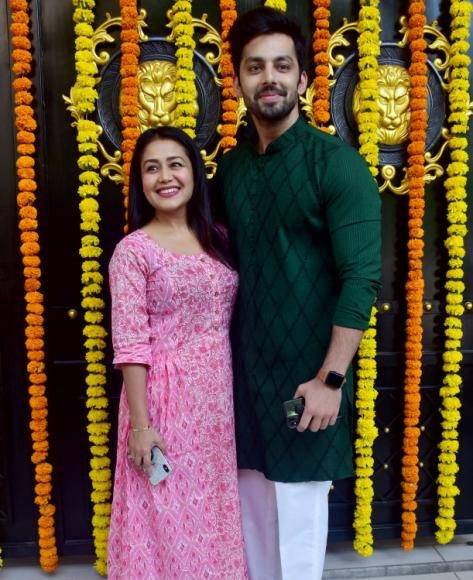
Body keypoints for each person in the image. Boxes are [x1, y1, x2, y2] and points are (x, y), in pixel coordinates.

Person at [215, 7, 382, 580]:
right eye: (255, 66)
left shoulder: (335, 165)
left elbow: (361, 279)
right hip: (243, 380)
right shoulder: (232, 170)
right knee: (253, 522)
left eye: (282, 66)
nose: (270, 78)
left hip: (308, 383)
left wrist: (331, 379)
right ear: (238, 79)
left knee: (299, 525)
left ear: (304, 79)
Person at [107, 126, 247, 579]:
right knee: (165, 513)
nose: (165, 177)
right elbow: (130, 343)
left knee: (212, 513)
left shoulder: (218, 239)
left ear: (194, 173)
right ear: (140, 182)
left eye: (175, 164)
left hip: (216, 404)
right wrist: (141, 426)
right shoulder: (134, 251)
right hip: (163, 403)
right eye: (152, 168)